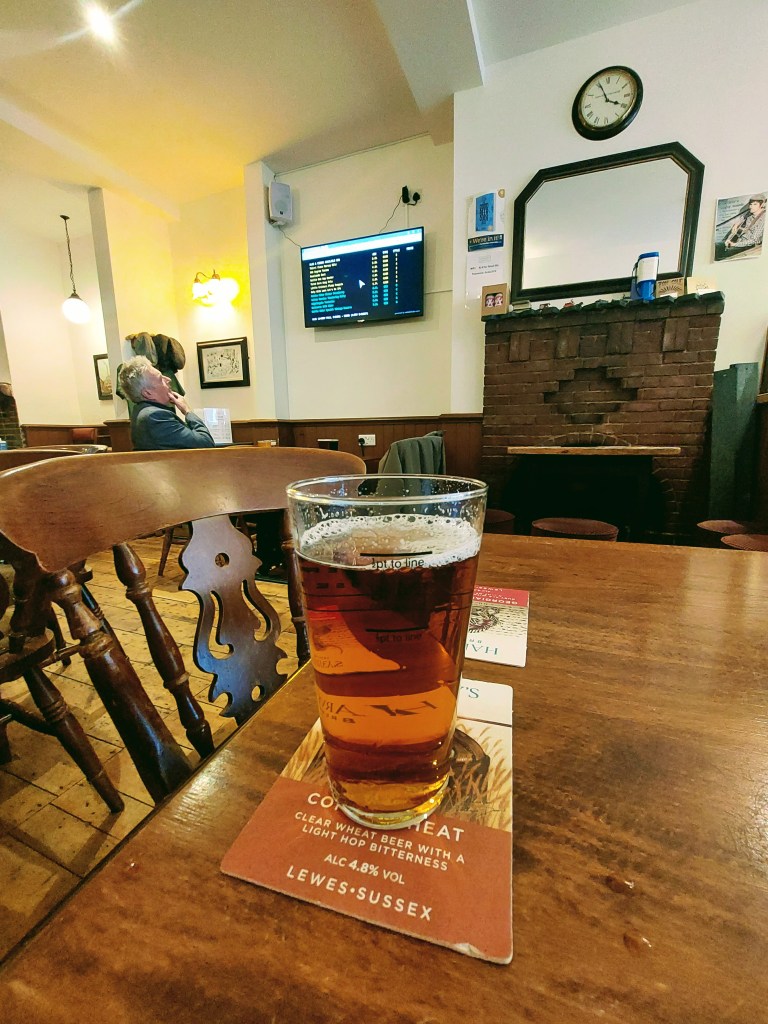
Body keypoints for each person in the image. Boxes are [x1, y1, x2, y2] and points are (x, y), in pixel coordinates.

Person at [117, 356, 215, 450]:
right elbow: (206, 443)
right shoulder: (154, 416)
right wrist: (187, 411)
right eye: (161, 379)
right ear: (148, 393)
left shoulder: (140, 411)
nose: (168, 380)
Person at [717, 195, 766, 260]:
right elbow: (741, 223)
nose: (751, 206)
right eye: (750, 204)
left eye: (755, 204)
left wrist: (734, 244)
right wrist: (729, 238)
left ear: (762, 205)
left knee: (723, 256)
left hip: (747, 246)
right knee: (716, 245)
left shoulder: (763, 219)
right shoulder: (749, 215)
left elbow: (754, 240)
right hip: (736, 241)